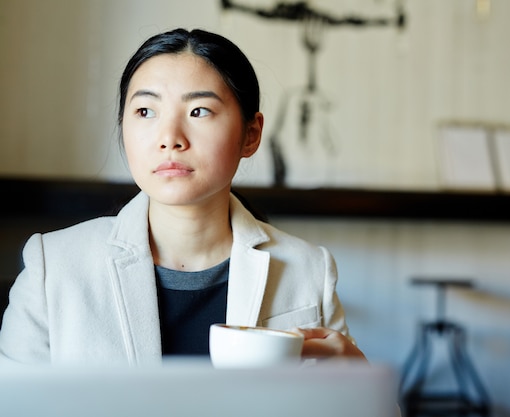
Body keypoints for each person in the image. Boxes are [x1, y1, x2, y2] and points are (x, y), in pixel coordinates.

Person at [0, 28, 365, 364]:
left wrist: (360, 386)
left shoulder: (308, 270)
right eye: (145, 111)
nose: (170, 137)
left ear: (251, 134)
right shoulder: (54, 266)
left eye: (199, 111)